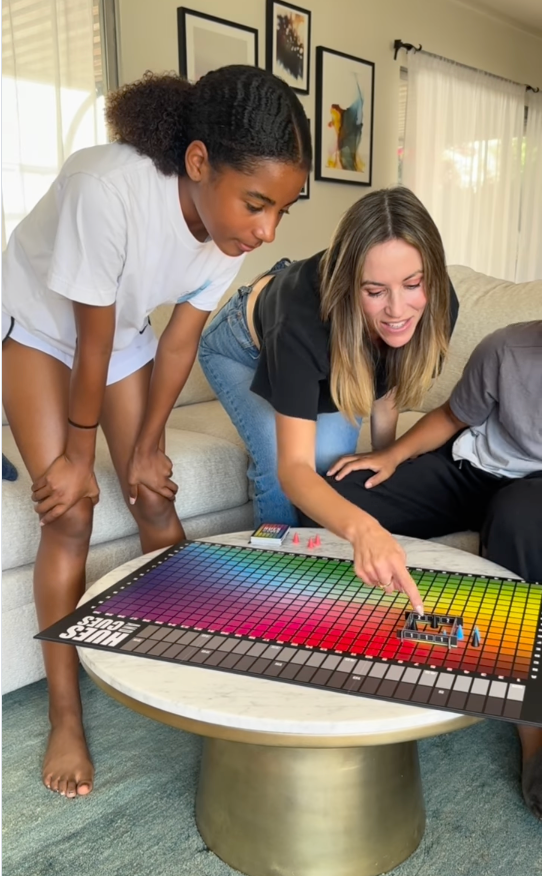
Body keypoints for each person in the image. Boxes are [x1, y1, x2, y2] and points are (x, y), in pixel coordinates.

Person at [2, 66, 311, 798]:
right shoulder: (105, 186)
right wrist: (80, 457)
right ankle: (66, 716)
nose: (266, 231)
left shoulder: (227, 238)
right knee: (69, 510)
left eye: (282, 211)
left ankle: (188, 664)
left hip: (124, 332)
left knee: (153, 498)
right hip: (43, 327)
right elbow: (89, 337)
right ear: (200, 163)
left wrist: (147, 449)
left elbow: (176, 343)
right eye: (257, 203)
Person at [198, 186, 459, 615]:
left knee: (334, 468)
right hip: (239, 347)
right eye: (375, 291)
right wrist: (364, 529)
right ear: (348, 284)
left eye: (412, 284)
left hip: (323, 348)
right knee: (282, 463)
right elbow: (295, 471)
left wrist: (386, 458)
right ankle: (276, 602)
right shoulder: (302, 323)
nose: (398, 309)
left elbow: (386, 378)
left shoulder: (439, 303)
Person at [324, 321, 542, 819]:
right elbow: (452, 415)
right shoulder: (506, 346)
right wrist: (390, 455)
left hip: (532, 496)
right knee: (338, 496)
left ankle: (533, 728)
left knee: (518, 518)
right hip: (477, 468)